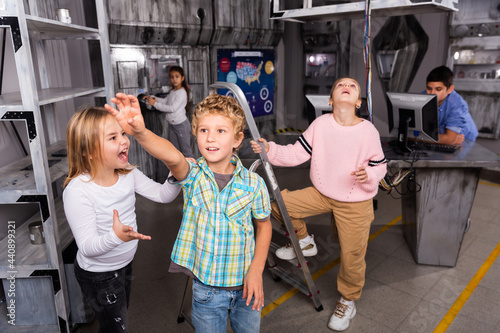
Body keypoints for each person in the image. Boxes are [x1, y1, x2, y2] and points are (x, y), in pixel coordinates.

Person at [105, 93, 272, 333]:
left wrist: (256, 271)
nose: (210, 137)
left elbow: (264, 226)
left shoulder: (254, 184)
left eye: (220, 131)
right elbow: (170, 154)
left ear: (237, 139)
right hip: (207, 292)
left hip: (247, 285)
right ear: (195, 134)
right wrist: (140, 132)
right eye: (203, 130)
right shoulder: (192, 174)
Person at [250, 77, 387, 331]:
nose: (346, 86)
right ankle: (304, 240)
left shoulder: (368, 130)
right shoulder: (320, 124)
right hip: (323, 193)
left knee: (352, 257)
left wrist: (369, 174)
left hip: (356, 201)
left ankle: (348, 300)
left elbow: (380, 167)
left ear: (358, 101)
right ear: (330, 99)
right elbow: (295, 153)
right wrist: (269, 148)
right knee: (276, 204)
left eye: (352, 86)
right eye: (339, 85)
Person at [62, 106, 181, 332]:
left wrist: (174, 174)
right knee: (116, 327)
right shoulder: (78, 191)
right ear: (89, 150)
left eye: (123, 134)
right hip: (98, 276)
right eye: (113, 137)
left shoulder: (127, 172)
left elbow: (162, 195)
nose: (124, 141)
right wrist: (115, 237)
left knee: (116, 321)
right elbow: (87, 247)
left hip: (124, 265)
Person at [143, 65, 194, 157]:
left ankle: (193, 171)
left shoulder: (182, 92)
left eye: (177, 76)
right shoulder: (173, 91)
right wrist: (153, 98)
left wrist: (154, 104)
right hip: (172, 125)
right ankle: (180, 171)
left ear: (182, 78)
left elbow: (172, 108)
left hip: (181, 125)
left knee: (186, 152)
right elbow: (166, 101)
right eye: (172, 77)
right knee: (176, 151)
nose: (174, 79)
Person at [425, 65, 478, 144]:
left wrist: (416, 137)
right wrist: (445, 139)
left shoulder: (458, 104)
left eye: (438, 89)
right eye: (429, 89)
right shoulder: (422, 97)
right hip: (440, 138)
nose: (432, 93)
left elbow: (450, 139)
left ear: (449, 89)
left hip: (465, 141)